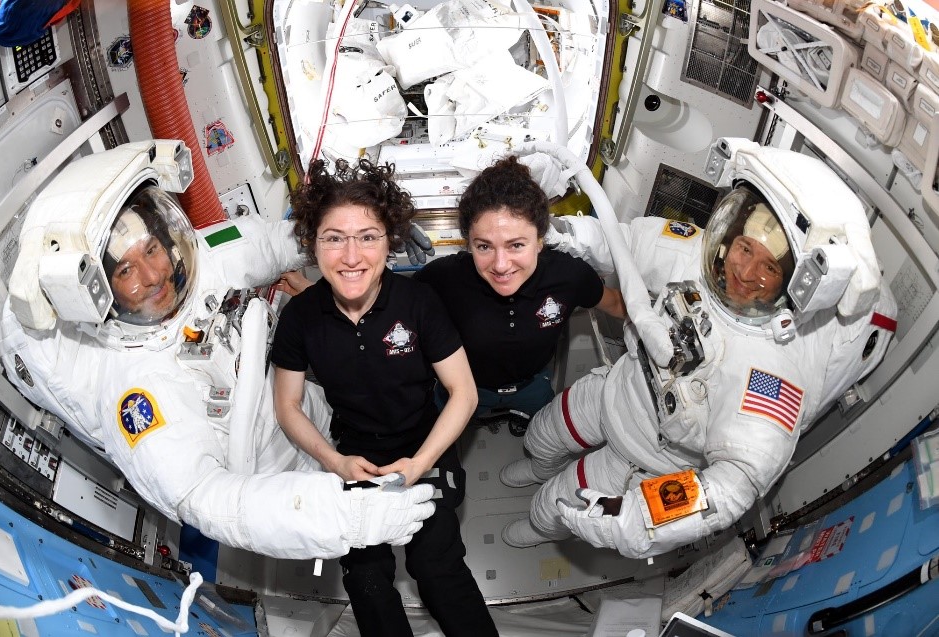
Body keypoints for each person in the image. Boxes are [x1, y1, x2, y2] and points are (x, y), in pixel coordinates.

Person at [0, 140, 437, 562]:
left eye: (152, 249)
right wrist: (342, 518)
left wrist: (375, 233)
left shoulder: (203, 260)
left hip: (312, 417)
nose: (153, 275)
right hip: (284, 486)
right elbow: (211, 500)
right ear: (96, 292)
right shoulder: (136, 396)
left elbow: (268, 243)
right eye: (126, 269)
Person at [499, 139, 897, 559]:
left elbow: (733, 483)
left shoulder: (771, 374)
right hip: (613, 392)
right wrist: (565, 235)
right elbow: (627, 242)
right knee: (543, 433)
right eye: (745, 249)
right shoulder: (696, 256)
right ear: (730, 238)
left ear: (793, 283)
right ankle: (537, 466)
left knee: (558, 505)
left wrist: (637, 519)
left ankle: (537, 526)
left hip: (645, 456)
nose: (744, 272)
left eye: (769, 267)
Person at [270, 158, 498, 637]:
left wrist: (419, 463)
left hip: (422, 446)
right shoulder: (300, 318)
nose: (351, 255)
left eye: (368, 237)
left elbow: (464, 392)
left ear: (389, 242)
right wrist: (335, 462)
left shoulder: (419, 304)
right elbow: (287, 405)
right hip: (351, 452)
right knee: (366, 579)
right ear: (314, 243)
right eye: (334, 237)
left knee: (437, 569)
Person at [412, 156, 626, 428]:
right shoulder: (445, 277)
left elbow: (617, 305)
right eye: (484, 247)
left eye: (516, 245)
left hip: (533, 387)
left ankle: (520, 419)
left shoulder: (568, 276)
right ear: (469, 244)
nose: (501, 265)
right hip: (465, 389)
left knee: (545, 433)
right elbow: (392, 302)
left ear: (540, 240)